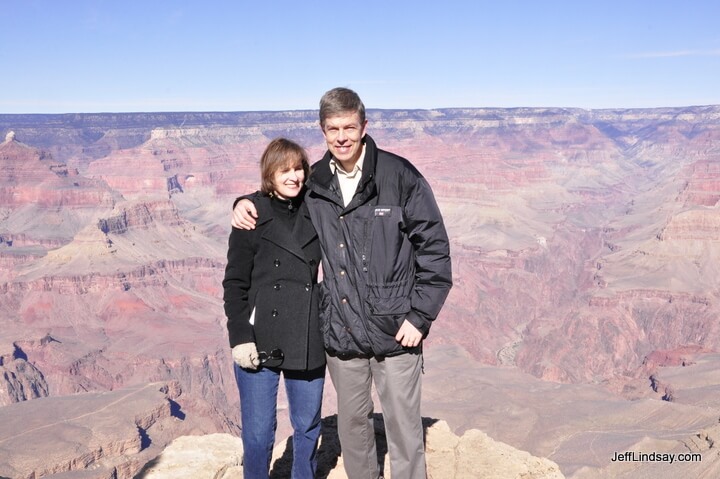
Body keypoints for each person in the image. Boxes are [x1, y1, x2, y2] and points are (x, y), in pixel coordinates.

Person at [232, 88, 452, 479]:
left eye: (350, 126)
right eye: (333, 129)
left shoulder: (399, 176)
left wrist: (419, 318)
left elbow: (434, 249)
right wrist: (242, 201)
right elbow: (279, 196)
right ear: (323, 131)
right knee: (353, 434)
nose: (342, 137)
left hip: (396, 331)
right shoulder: (315, 180)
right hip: (342, 335)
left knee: (403, 433)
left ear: (364, 127)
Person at [223, 138, 325, 479]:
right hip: (259, 337)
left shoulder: (318, 207)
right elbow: (234, 283)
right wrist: (239, 337)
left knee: (308, 425)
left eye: (299, 168)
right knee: (257, 435)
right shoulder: (251, 215)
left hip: (307, 333)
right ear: (270, 174)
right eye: (285, 170)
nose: (294, 176)